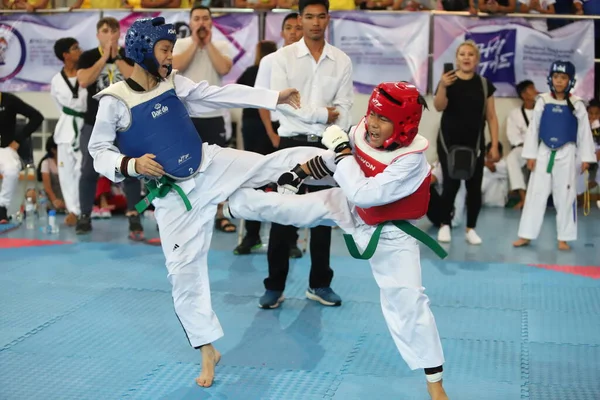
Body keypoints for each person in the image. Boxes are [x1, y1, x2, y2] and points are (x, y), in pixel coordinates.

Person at [88, 17, 313, 389]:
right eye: (164, 51)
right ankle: (207, 348)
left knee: (268, 165)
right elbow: (97, 151)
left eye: (171, 51)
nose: (170, 59)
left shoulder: (174, 83)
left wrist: (273, 98)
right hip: (173, 198)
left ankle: (340, 164)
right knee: (183, 273)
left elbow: (219, 93)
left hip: (208, 165)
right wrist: (129, 164)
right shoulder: (115, 101)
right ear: (144, 51)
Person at [224, 82, 449, 400]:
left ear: (403, 125)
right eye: (371, 113)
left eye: (382, 118)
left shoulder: (411, 160)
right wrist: (301, 172)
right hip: (352, 206)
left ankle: (435, 384)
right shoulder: (363, 134)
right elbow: (338, 162)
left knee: (408, 302)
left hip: (392, 234)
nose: (371, 122)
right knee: (294, 209)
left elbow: (364, 192)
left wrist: (342, 153)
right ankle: (231, 201)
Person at [259, 0, 354, 309]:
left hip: (324, 146)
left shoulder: (341, 61)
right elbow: (285, 104)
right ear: (300, 20)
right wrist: (322, 114)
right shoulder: (282, 58)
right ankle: (274, 286)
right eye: (309, 17)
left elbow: (346, 108)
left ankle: (320, 284)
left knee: (324, 216)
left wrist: (328, 118)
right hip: (290, 144)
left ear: (328, 18)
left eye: (321, 16)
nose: (315, 22)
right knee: (282, 216)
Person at [233, 11, 304, 256]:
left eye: (298, 28)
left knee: (292, 185)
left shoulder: (308, 62)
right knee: (257, 180)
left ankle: (291, 240)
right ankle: (251, 236)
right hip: (266, 128)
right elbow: (262, 100)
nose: (294, 32)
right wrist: (272, 136)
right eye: (289, 28)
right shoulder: (271, 60)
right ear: (282, 32)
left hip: (295, 129)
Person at [513, 61, 596, 250]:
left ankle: (563, 237)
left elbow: (584, 132)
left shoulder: (577, 104)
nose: (559, 81)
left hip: (567, 153)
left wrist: (585, 158)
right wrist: (531, 155)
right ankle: (526, 235)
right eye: (556, 77)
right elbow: (533, 128)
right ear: (551, 78)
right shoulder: (542, 100)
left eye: (564, 78)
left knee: (565, 196)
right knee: (535, 194)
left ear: (570, 81)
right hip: (543, 151)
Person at [76, 17, 144, 239]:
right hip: (93, 123)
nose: (110, 34)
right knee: (88, 170)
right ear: (98, 34)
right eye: (105, 30)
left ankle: (134, 215)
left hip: (125, 123)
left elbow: (136, 80)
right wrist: (104, 57)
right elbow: (84, 81)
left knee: (131, 168)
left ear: (119, 33)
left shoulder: (128, 54)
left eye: (114, 30)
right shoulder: (87, 56)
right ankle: (84, 215)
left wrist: (115, 57)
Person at [173, 5, 238, 233]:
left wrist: (207, 43)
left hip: (213, 116)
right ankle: (187, 216)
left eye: (205, 19)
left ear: (211, 23)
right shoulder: (180, 45)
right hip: (186, 117)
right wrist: (195, 43)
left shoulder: (220, 45)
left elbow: (224, 67)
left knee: (216, 168)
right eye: (197, 19)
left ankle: (220, 214)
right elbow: (177, 66)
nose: (201, 23)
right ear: (190, 22)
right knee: (185, 167)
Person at [433, 40, 501, 245]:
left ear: (477, 59)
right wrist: (443, 85)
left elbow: (491, 117)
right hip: (448, 143)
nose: (466, 57)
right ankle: (445, 224)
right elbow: (438, 106)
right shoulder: (447, 80)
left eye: (470, 54)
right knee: (450, 185)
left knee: (474, 188)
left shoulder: (484, 84)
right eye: (462, 54)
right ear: (456, 58)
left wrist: (495, 145)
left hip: (475, 145)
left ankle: (471, 228)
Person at [51, 37, 86, 225]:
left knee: (82, 170)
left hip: (84, 126)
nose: (79, 50)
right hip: (65, 127)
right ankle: (72, 210)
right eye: (75, 48)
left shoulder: (86, 73)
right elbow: (57, 104)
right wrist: (69, 116)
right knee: (66, 173)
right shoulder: (56, 80)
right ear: (65, 55)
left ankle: (82, 210)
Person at [0, 92, 44, 224]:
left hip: (5, 149)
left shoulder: (9, 100)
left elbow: (37, 117)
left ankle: (2, 208)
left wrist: (18, 140)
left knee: (11, 170)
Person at [505, 80, 537, 209]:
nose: (535, 91)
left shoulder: (544, 111)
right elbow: (512, 135)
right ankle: (523, 198)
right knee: (512, 158)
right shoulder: (515, 114)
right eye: (531, 88)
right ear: (523, 95)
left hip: (542, 148)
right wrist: (526, 147)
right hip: (523, 148)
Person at [481, 142, 508, 207]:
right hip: (483, 204)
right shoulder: (484, 164)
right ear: (486, 154)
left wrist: (484, 164)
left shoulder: (504, 165)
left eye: (494, 155)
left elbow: (492, 168)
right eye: (489, 155)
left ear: (501, 155)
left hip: (498, 204)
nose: (492, 158)